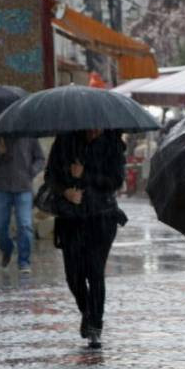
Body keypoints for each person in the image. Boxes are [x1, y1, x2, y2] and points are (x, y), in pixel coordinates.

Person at [44, 129, 127, 349]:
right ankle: (87, 312)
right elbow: (50, 176)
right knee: (74, 275)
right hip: (71, 218)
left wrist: (86, 175)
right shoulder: (65, 140)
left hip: (102, 216)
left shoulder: (112, 143)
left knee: (95, 271)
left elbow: (116, 181)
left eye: (98, 125)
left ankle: (95, 327)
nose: (93, 129)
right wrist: (65, 192)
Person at [0, 134, 45, 273]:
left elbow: (40, 158)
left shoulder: (29, 134)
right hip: (2, 187)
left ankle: (24, 261)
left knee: (25, 225)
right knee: (0, 227)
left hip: (23, 188)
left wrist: (31, 171)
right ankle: (7, 249)